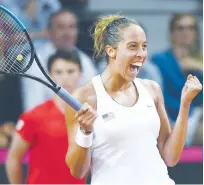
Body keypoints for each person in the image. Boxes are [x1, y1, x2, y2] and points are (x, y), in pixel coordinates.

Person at [64, 15, 202, 185]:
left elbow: (170, 157)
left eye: (144, 47)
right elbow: (77, 171)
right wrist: (85, 132)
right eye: (133, 47)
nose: (141, 54)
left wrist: (185, 104)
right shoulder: (85, 96)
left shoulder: (152, 90)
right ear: (111, 50)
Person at [6, 50, 85, 184]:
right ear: (51, 75)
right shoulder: (33, 116)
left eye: (70, 71)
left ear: (80, 74)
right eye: (58, 72)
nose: (65, 77)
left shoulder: (90, 116)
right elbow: (13, 159)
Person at [21, 9, 97, 111]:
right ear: (49, 31)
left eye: (72, 27)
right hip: (45, 122)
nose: (67, 33)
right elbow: (32, 107)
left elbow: (94, 101)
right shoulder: (33, 61)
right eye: (61, 27)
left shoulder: (85, 61)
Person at [151, 13, 203, 146]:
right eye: (181, 28)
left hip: (196, 120)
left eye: (191, 28)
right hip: (169, 119)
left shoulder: (200, 62)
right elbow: (159, 98)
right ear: (171, 33)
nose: (186, 32)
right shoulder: (159, 61)